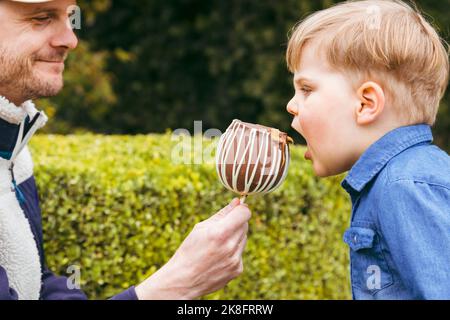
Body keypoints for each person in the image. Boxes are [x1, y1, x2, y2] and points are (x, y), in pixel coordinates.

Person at [0, 0, 251, 300]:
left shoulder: (13, 148)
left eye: (68, 17)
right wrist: (171, 286)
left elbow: (32, 281)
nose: (70, 39)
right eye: (42, 18)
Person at [285, 0, 450, 299]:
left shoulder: (403, 187)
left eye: (306, 89)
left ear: (366, 104)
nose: (291, 105)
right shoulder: (403, 178)